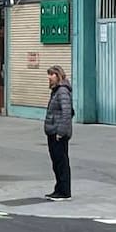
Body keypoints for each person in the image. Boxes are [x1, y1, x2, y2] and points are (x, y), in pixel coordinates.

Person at [44, 65, 73, 201]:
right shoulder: (56, 91)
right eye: (49, 75)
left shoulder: (62, 91)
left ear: (58, 76)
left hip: (58, 133)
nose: (49, 77)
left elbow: (67, 112)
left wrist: (60, 132)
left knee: (61, 162)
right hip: (52, 131)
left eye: (52, 75)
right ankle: (59, 188)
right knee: (56, 162)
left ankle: (64, 192)